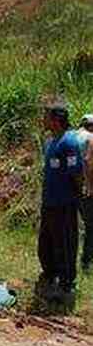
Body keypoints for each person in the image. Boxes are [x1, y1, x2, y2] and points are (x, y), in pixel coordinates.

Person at [38, 102, 84, 301]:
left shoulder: (69, 142)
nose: (43, 119)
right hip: (49, 202)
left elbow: (77, 174)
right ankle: (50, 275)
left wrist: (76, 196)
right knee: (45, 244)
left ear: (56, 120)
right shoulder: (50, 142)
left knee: (65, 243)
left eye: (46, 116)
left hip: (64, 203)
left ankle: (66, 284)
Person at [77, 114, 93, 270]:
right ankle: (86, 261)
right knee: (90, 226)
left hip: (70, 187)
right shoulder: (90, 138)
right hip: (86, 188)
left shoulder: (72, 136)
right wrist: (89, 184)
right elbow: (89, 161)